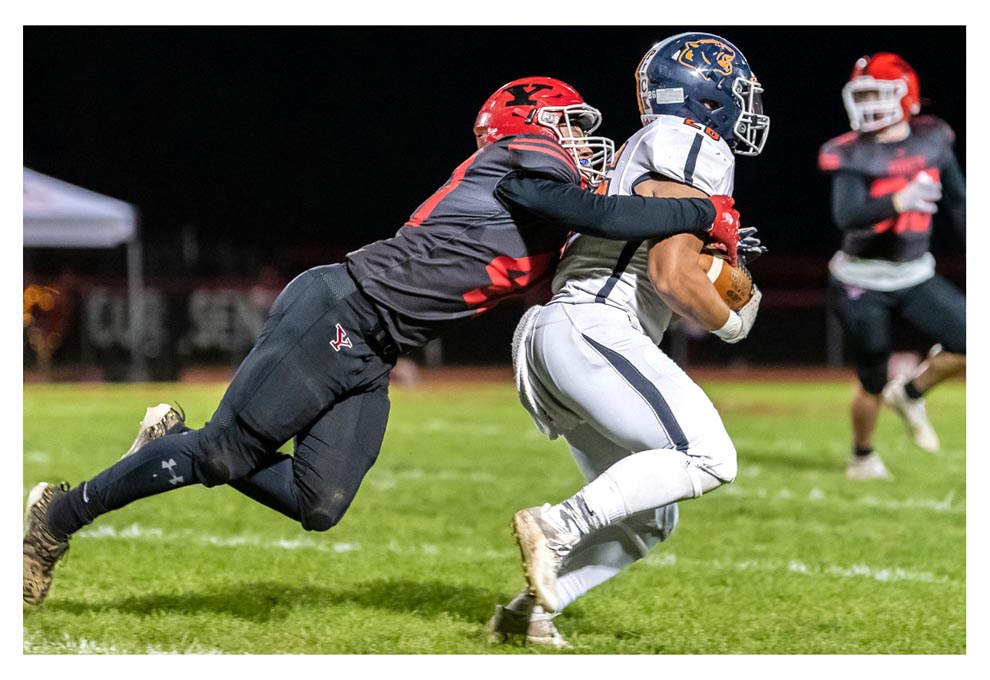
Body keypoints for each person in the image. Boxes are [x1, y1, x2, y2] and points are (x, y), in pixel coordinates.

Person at [23, 76, 745, 606]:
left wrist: (714, 264)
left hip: (375, 345)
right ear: (528, 122)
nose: (580, 139)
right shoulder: (526, 158)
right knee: (222, 454)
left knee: (320, 502)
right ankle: (57, 516)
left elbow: (595, 231)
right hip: (342, 305)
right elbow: (581, 206)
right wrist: (700, 207)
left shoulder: (550, 204)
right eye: (568, 122)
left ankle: (173, 440)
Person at [487, 33, 769, 647]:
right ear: (706, 95)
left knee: (648, 519)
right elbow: (672, 275)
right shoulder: (693, 140)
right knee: (711, 457)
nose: (743, 105)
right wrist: (731, 321)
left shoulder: (648, 148)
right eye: (737, 91)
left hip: (561, 334)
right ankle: (557, 525)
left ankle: (530, 614)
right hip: (595, 326)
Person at [818, 53, 966, 481]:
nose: (867, 103)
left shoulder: (933, 138)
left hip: (915, 273)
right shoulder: (848, 151)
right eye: (861, 94)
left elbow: (959, 199)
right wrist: (898, 200)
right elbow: (848, 216)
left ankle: (912, 393)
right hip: (860, 280)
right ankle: (862, 457)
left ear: (906, 96)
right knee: (872, 376)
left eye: (876, 94)